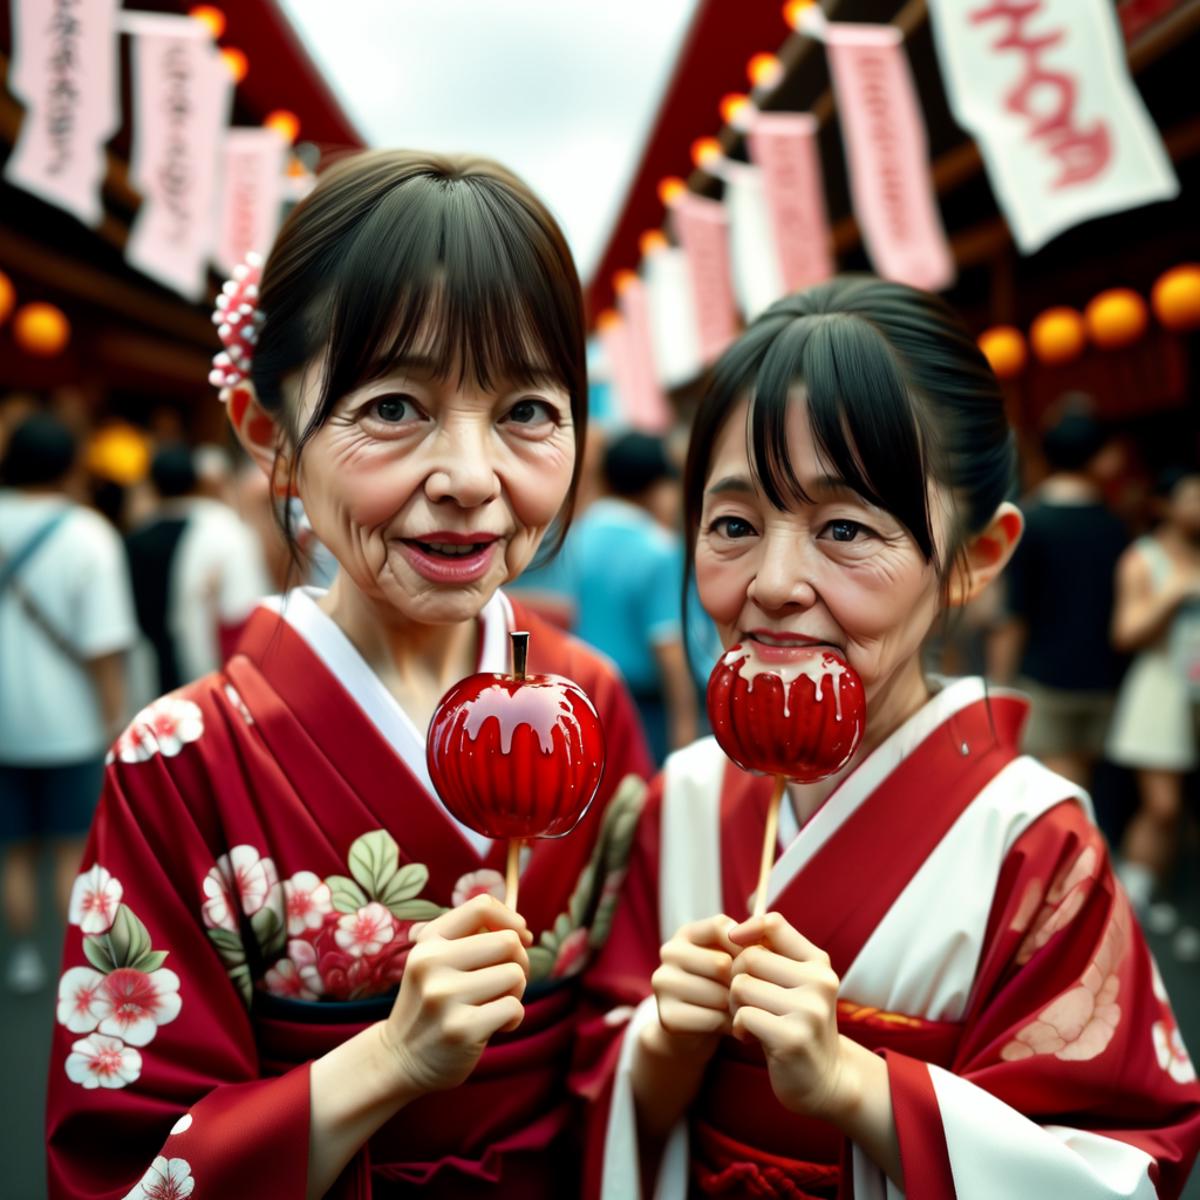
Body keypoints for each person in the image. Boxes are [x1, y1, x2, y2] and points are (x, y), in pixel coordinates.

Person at [45, 150, 652, 1200]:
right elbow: (123, 1166)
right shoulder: (179, 761)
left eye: (527, 411)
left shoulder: (589, 699)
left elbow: (625, 1042)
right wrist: (389, 1063)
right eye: (391, 408)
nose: (470, 478)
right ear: (268, 433)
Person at [579, 278, 1200, 1198]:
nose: (776, 581)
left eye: (843, 527)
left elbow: (1116, 1164)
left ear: (976, 560)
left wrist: (850, 1082)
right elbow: (599, 1074)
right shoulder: (688, 796)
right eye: (735, 524)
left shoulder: (1034, 842)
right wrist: (663, 1046)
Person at [0, 414, 136, 994]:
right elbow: (106, 646)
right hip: (71, 725)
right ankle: (67, 966)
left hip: (5, 724)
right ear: (69, 464)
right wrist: (116, 720)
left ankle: (23, 957)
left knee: (14, 853)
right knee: (70, 851)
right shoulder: (88, 534)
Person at [993, 409, 1129, 788]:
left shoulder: (1030, 520)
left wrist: (1001, 683)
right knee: (1081, 780)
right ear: (1097, 455)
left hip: (1044, 677)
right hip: (1104, 679)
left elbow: (1013, 612)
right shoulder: (1115, 523)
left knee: (1061, 786)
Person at [1107, 468, 1200, 938]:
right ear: (1164, 505)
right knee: (1161, 805)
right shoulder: (1142, 559)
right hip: (1161, 688)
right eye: (1191, 495)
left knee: (1183, 809)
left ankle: (1157, 892)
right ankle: (1131, 899)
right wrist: (1173, 595)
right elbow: (1124, 633)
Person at [570, 431, 699, 763]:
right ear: (657, 488)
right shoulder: (658, 549)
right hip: (641, 711)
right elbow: (669, 650)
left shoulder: (572, 540)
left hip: (572, 701)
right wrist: (683, 738)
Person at [125, 443, 271, 697]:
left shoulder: (135, 538)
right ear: (198, 481)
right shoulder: (226, 529)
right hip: (213, 677)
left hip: (145, 679)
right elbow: (244, 609)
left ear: (153, 486)